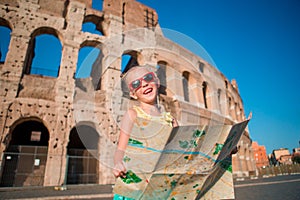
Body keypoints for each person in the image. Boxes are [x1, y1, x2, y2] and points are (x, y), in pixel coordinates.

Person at [112, 65, 178, 199]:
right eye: (136, 83)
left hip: (162, 186)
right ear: (132, 94)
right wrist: (118, 163)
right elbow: (120, 149)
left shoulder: (171, 120)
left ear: (157, 81)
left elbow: (186, 150)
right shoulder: (132, 115)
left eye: (148, 78)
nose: (144, 84)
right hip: (138, 186)